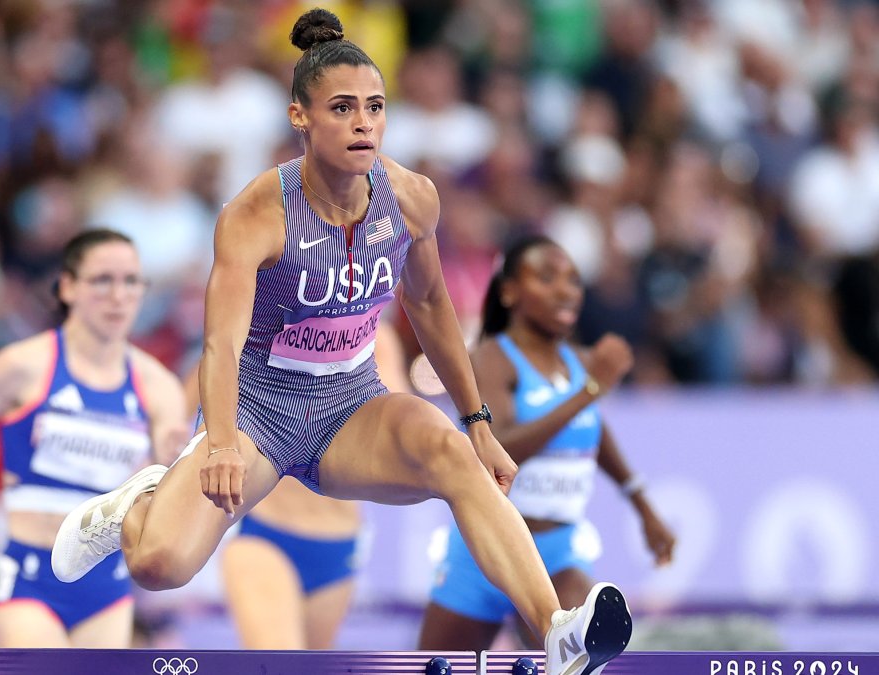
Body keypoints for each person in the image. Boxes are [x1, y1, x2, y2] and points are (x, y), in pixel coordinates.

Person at [54, 11, 632, 675]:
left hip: (350, 402)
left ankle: (556, 629)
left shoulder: (411, 198)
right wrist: (215, 442)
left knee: (452, 454)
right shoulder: (256, 213)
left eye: (375, 108)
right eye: (342, 108)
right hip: (259, 412)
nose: (363, 123)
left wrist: (477, 421)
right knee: (160, 564)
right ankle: (136, 505)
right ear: (301, 116)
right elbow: (220, 340)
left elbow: (430, 303)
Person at [0, 228, 188, 648]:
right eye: (103, 279)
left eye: (131, 281)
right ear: (67, 287)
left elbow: (167, 492)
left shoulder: (158, 387)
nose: (119, 295)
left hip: (108, 587)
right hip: (28, 578)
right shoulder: (23, 365)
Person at [418, 236, 676, 654]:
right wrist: (588, 392)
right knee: (434, 666)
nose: (566, 290)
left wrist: (641, 502)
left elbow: (592, 429)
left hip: (558, 554)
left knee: (583, 651)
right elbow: (497, 447)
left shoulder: (581, 363)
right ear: (509, 291)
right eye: (547, 277)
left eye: (573, 280)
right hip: (484, 550)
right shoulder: (491, 359)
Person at [219, 319, 408, 650]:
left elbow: (396, 429)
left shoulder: (379, 336)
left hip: (337, 541)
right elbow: (202, 387)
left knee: (310, 666)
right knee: (278, 663)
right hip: (266, 532)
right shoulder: (264, 317)